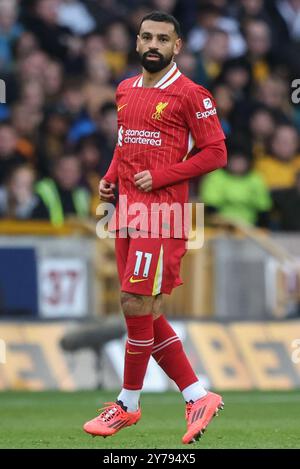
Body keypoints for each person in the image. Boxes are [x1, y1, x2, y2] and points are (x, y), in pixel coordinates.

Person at [83, 11, 227, 445]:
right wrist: (110, 178)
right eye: (146, 36)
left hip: (162, 215)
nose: (153, 45)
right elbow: (125, 142)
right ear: (137, 40)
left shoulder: (190, 94)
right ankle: (197, 395)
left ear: (177, 46)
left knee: (133, 300)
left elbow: (216, 152)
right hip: (126, 212)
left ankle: (127, 403)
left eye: (162, 39)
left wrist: (162, 177)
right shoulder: (125, 89)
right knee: (146, 310)